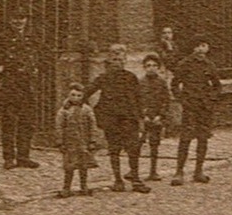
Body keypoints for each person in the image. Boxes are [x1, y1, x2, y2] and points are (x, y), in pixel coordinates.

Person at [85, 43, 150, 193]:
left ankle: (136, 179)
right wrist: (74, 102)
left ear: (125, 60)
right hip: (111, 119)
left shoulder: (130, 77)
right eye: (114, 58)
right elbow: (88, 91)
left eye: (120, 58)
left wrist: (142, 116)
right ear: (109, 60)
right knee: (114, 150)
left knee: (133, 149)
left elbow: (138, 98)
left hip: (129, 118)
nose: (117, 61)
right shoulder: (103, 78)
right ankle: (118, 180)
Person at [0, 11, 41, 169]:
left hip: (28, 84)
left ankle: (24, 156)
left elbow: (41, 54)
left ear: (26, 19)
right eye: (15, 18)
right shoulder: (2, 38)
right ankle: (9, 157)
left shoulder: (31, 37)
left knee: (27, 121)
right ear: (10, 20)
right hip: (10, 83)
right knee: (9, 121)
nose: (19, 21)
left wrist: (36, 68)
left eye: (22, 18)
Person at [169, 35, 221, 185]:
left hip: (204, 108)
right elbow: (174, 84)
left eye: (203, 45)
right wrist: (182, 99)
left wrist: (211, 99)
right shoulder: (185, 64)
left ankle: (199, 170)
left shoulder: (210, 65)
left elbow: (217, 86)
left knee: (203, 138)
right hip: (190, 106)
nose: (200, 49)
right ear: (193, 48)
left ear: (207, 48)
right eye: (197, 46)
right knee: (185, 138)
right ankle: (179, 172)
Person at [55, 83, 98, 197]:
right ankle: (66, 188)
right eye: (73, 95)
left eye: (79, 95)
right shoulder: (63, 111)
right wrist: (60, 142)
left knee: (83, 165)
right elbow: (59, 127)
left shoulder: (87, 110)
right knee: (69, 166)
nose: (76, 98)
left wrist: (93, 141)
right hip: (69, 143)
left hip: (83, 142)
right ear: (68, 95)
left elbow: (92, 125)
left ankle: (84, 186)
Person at [138, 53, 171, 182]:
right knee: (138, 144)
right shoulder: (140, 82)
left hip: (157, 118)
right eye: (148, 66)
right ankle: (133, 170)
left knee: (154, 144)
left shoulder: (162, 82)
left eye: (154, 66)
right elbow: (137, 100)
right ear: (144, 67)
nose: (151, 68)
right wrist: (143, 115)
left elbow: (166, 100)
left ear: (158, 68)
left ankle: (153, 171)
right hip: (144, 118)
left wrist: (160, 115)